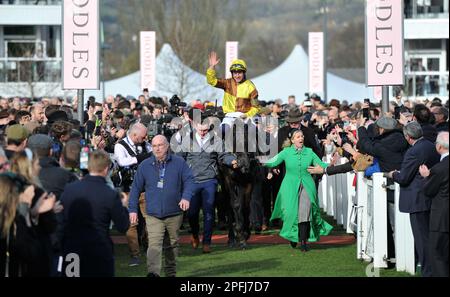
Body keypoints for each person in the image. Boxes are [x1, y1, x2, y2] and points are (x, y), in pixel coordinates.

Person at [128, 135, 194, 277]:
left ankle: (171, 273)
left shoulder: (179, 162)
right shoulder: (145, 165)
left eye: (160, 145)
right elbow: (135, 189)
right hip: (153, 213)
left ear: (167, 146)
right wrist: (132, 210)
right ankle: (153, 273)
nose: (157, 148)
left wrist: (186, 197)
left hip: (175, 212)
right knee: (154, 244)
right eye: (154, 146)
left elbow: (189, 180)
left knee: (172, 245)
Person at [60, 150, 129, 277]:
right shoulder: (110, 194)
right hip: (99, 251)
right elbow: (123, 226)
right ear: (106, 168)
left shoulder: (70, 189)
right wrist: (124, 206)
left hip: (72, 249)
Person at [262, 130, 333, 251]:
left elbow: (320, 164)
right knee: (290, 213)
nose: (301, 138)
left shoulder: (309, 152)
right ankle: (292, 236)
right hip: (289, 186)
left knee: (304, 213)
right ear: (293, 140)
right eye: (298, 136)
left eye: (302, 136)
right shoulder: (286, 152)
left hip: (307, 185)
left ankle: (304, 241)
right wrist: (260, 161)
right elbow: (273, 161)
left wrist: (330, 165)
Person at [387, 121, 440, 277]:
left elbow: (404, 177)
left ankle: (428, 272)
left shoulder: (413, 151)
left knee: (422, 239)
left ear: (408, 137)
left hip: (417, 199)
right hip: (429, 196)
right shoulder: (431, 146)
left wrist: (392, 174)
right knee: (428, 237)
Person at [181, 121, 237, 254]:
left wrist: (232, 161)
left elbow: (224, 155)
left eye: (205, 130)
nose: (202, 133)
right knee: (192, 212)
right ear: (195, 127)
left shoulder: (216, 141)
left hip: (209, 180)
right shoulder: (187, 140)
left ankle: (207, 242)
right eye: (200, 130)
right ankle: (195, 234)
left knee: (209, 211)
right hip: (192, 181)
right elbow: (179, 158)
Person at [113, 122, 151, 266]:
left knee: (150, 220)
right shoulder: (120, 146)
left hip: (145, 189)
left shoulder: (145, 145)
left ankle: (148, 248)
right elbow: (122, 162)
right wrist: (141, 158)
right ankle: (135, 255)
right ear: (134, 135)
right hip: (128, 190)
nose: (145, 138)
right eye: (143, 136)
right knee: (131, 223)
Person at [419, 131, 449, 277]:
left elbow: (428, 191)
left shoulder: (439, 169)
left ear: (439, 147)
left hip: (441, 218)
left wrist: (426, 177)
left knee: (438, 256)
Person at [206, 51, 260, 122]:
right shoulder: (227, 83)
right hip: (229, 116)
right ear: (232, 73)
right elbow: (211, 81)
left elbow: (256, 107)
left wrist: (247, 115)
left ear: (244, 73)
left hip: (244, 117)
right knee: (223, 130)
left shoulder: (250, 86)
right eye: (235, 73)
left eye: (239, 73)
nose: (237, 76)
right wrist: (212, 67)